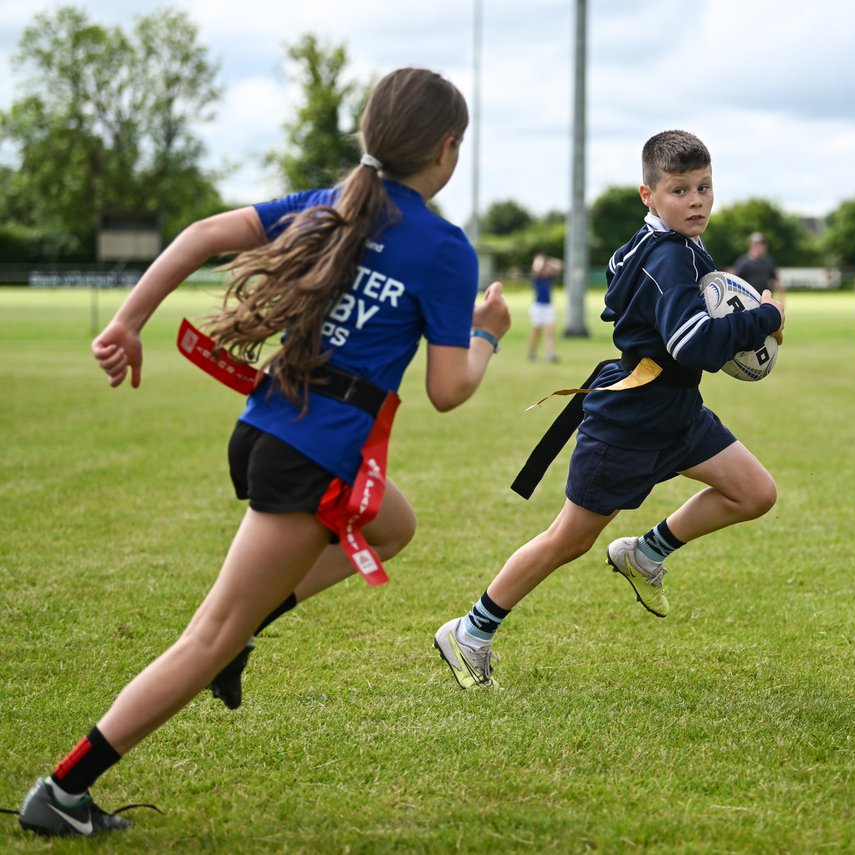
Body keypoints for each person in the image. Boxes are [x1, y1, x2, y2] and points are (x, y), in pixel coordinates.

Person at [16, 67, 511, 838]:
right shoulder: (443, 248)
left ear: (370, 135)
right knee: (207, 637)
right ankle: (64, 788)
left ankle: (243, 635)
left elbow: (201, 235)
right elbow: (450, 389)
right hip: (309, 456)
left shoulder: (328, 205)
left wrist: (127, 321)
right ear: (447, 151)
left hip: (267, 431)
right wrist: (486, 336)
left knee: (392, 527)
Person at [432, 130, 784, 689]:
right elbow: (692, 344)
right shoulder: (668, 257)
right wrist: (761, 320)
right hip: (630, 421)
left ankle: (645, 554)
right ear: (648, 194)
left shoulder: (673, 247)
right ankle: (469, 632)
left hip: (677, 410)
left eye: (705, 188)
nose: (696, 201)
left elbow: (665, 320)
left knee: (754, 492)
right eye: (679, 190)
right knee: (567, 540)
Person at [527, 252, 563, 362]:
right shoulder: (537, 277)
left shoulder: (549, 277)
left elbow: (559, 265)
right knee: (537, 331)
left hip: (548, 307)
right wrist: (541, 261)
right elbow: (537, 268)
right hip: (538, 307)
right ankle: (532, 353)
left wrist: (548, 261)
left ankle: (550, 354)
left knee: (550, 330)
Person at [732, 231, 782, 299]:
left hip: (765, 300)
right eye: (757, 245)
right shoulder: (743, 262)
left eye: (761, 245)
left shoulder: (768, 261)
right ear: (750, 246)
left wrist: (781, 299)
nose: (759, 247)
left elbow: (776, 281)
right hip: (748, 300)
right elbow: (736, 282)